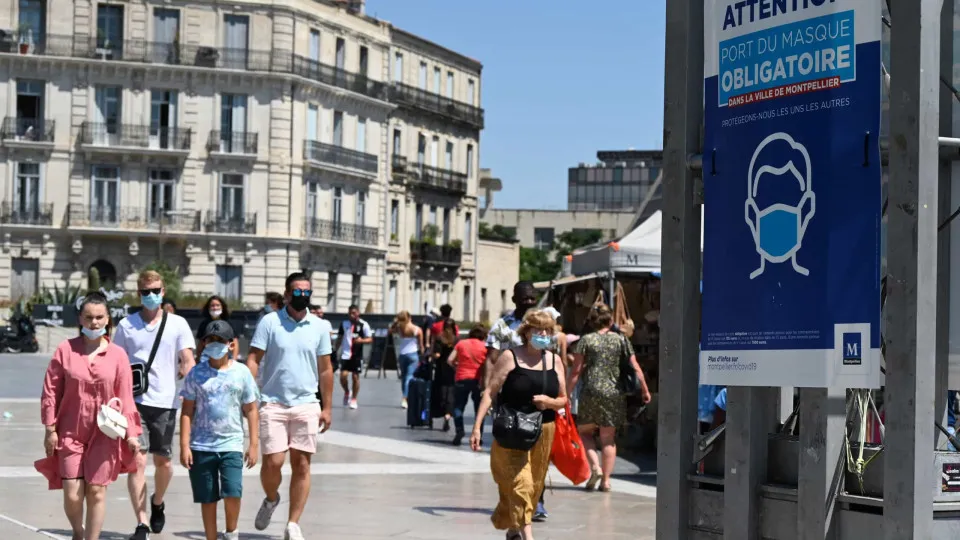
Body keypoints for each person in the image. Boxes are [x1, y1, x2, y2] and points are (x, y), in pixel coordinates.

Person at [38, 292, 142, 540]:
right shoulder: (66, 350)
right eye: (89, 317)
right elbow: (50, 390)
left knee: (96, 491)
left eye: (99, 317)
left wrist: (132, 435)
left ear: (108, 319)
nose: (94, 323)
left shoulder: (118, 355)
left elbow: (126, 397)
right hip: (70, 431)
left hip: (105, 432)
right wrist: (50, 429)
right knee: (72, 493)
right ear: (80, 319)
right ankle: (78, 531)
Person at [247, 272, 333, 540]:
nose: (302, 296)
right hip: (273, 402)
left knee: (302, 464)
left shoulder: (319, 326)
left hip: (307, 403)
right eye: (297, 292)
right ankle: (271, 498)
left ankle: (293, 523)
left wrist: (327, 408)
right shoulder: (270, 322)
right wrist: (249, 395)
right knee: (273, 462)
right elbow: (253, 359)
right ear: (286, 294)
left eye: (307, 292)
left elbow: (326, 369)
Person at [113, 270, 196, 540]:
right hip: (134, 402)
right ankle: (142, 523)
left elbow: (187, 358)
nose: (151, 296)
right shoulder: (126, 326)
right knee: (137, 460)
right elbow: (116, 362)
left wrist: (189, 378)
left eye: (156, 291)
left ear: (163, 292)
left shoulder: (178, 324)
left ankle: (157, 501)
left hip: (166, 401)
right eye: (146, 292)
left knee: (164, 463)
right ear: (139, 294)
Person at [470, 309, 567, 540]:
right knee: (519, 483)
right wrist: (477, 427)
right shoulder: (510, 357)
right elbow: (490, 392)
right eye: (538, 329)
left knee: (534, 484)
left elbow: (564, 399)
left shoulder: (555, 360)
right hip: (513, 431)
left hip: (544, 429)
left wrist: (549, 402)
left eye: (547, 330)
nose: (543, 333)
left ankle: (514, 528)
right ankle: (528, 535)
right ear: (526, 332)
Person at [180, 320, 260, 540]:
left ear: (231, 344)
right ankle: (211, 537)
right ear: (204, 344)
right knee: (207, 498)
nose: (215, 344)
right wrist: (184, 446)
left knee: (233, 491)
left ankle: (231, 532)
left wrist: (253, 444)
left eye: (220, 340)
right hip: (201, 445)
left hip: (231, 444)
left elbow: (251, 409)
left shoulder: (242, 373)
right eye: (210, 340)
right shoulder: (196, 374)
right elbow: (187, 411)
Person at [568, 303, 651, 492]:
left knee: (585, 433)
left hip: (590, 391)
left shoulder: (586, 340)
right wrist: (644, 390)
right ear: (611, 320)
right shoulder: (621, 340)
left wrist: (565, 394)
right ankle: (606, 481)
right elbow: (635, 367)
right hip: (614, 392)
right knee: (608, 439)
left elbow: (576, 371)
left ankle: (595, 467)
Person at [484, 281, 539, 392]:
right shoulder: (501, 325)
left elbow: (552, 356)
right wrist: (487, 389)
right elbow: (491, 359)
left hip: (539, 384)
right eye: (525, 299)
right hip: (510, 385)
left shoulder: (544, 324)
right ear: (514, 300)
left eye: (532, 298)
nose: (529, 302)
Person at [447, 324, 488, 446]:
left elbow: (450, 360)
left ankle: (459, 430)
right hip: (478, 381)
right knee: (479, 409)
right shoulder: (485, 346)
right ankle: (478, 436)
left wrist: (457, 367)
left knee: (458, 407)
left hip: (462, 378)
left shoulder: (461, 343)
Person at [335, 304, 372, 410]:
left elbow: (370, 339)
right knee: (343, 376)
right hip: (346, 354)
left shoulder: (363, 324)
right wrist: (335, 350)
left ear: (358, 313)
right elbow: (340, 338)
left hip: (357, 356)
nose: (352, 315)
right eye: (350, 313)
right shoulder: (344, 324)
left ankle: (354, 399)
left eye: (354, 313)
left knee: (355, 377)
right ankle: (347, 391)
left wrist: (362, 341)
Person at [390, 310, 424, 409]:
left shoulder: (399, 328)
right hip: (413, 354)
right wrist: (422, 355)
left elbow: (390, 331)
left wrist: (395, 323)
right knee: (409, 376)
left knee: (404, 377)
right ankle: (405, 398)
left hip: (402, 354)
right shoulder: (417, 329)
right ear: (410, 317)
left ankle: (405, 397)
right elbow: (421, 345)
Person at [431, 318, 458, 431]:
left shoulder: (439, 338)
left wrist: (432, 355)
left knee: (440, 391)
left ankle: (436, 414)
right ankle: (448, 415)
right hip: (452, 370)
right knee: (451, 393)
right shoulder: (456, 340)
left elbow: (437, 355)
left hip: (440, 370)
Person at [196, 296, 239, 362]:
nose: (215, 308)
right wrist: (198, 359)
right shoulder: (204, 324)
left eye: (217, 305)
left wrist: (234, 360)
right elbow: (200, 344)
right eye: (212, 306)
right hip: (207, 359)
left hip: (225, 357)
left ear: (222, 307)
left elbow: (235, 342)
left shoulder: (228, 323)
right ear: (208, 308)